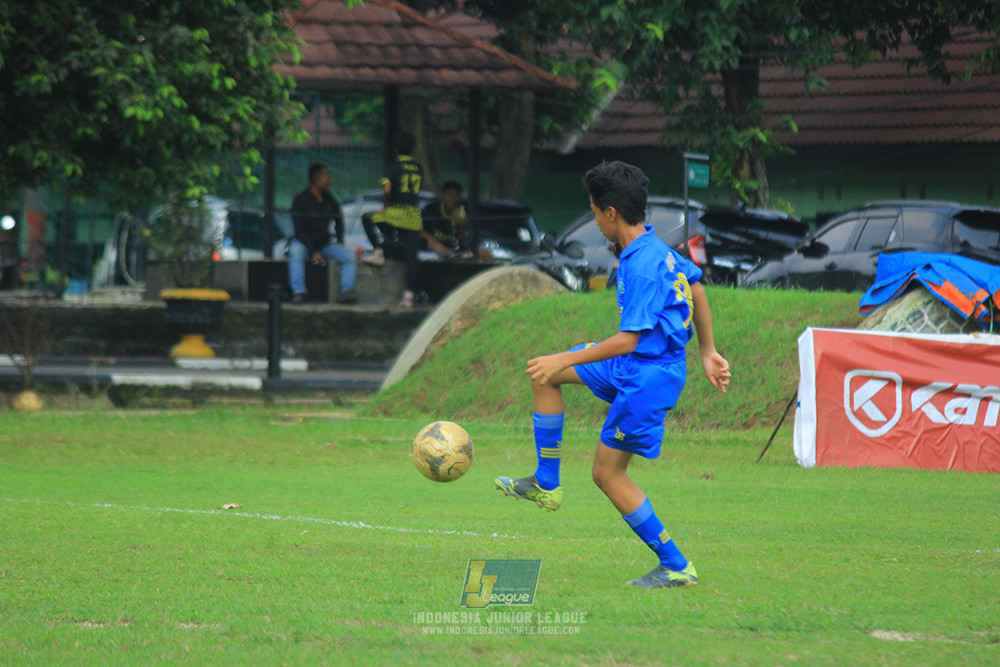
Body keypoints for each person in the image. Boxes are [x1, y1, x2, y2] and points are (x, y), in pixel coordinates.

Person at [494, 161, 731, 589]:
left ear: (610, 214)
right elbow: (696, 287)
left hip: (648, 377)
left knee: (607, 474)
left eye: (593, 209)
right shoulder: (656, 249)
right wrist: (708, 351)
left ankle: (676, 564)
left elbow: (630, 339)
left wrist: (569, 361)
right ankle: (546, 482)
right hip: (636, 366)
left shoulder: (640, 265)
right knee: (543, 373)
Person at [361, 132, 424, 308]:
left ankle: (379, 251)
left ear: (395, 149)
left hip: (396, 212)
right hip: (414, 215)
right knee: (412, 256)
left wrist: (387, 207)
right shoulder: (418, 167)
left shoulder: (393, 166)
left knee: (367, 218)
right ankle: (409, 296)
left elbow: (387, 189)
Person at [288, 163, 357, 304]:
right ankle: (299, 292)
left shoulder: (328, 198)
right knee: (295, 252)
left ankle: (347, 291)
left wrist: (339, 239)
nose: (329, 180)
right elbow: (299, 230)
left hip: (324, 244)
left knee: (349, 256)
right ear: (316, 180)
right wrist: (313, 251)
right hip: (304, 243)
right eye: (326, 177)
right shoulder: (301, 200)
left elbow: (338, 218)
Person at [420, 181, 494, 262]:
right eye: (449, 195)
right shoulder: (431, 210)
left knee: (486, 254)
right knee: (455, 259)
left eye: (456, 195)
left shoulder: (460, 211)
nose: (452, 199)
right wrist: (435, 243)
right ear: (443, 196)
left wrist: (462, 227)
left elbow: (461, 243)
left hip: (452, 249)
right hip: (433, 250)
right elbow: (419, 229)